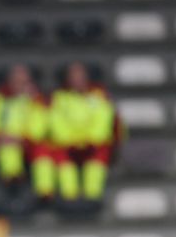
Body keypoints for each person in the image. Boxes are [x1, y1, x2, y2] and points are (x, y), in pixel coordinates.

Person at [48, 62, 122, 211]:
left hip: (93, 143)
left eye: (80, 76)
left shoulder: (99, 96)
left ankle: (93, 196)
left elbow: (104, 119)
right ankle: (69, 196)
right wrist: (71, 140)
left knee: (100, 154)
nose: (77, 80)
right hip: (68, 143)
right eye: (74, 76)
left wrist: (91, 139)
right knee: (60, 156)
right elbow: (56, 121)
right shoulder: (59, 98)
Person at [0, 64, 54, 209]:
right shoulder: (0, 99)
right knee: (7, 148)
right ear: (10, 81)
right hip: (5, 140)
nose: (19, 84)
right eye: (16, 81)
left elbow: (40, 125)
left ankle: (45, 195)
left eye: (23, 81)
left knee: (43, 154)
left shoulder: (36, 100)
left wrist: (23, 138)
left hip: (28, 141)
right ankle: (13, 187)